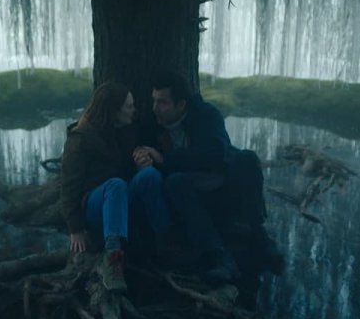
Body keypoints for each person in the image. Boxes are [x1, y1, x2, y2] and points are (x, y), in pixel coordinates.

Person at [133, 73, 243, 283]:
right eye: (154, 100)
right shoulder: (151, 124)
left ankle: (253, 234)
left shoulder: (206, 116)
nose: (155, 108)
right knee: (176, 182)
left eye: (162, 102)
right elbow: (144, 155)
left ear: (181, 104)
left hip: (216, 190)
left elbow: (215, 153)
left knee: (247, 160)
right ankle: (216, 255)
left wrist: (165, 159)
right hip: (178, 198)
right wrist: (142, 159)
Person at [61, 82, 138, 292]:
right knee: (115, 185)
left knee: (144, 178)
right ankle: (112, 261)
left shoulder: (123, 132)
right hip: (93, 205)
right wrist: (75, 229)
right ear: (114, 110)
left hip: (118, 203)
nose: (134, 110)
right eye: (129, 106)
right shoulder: (80, 139)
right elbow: (68, 187)